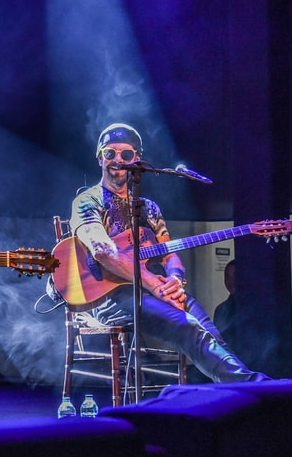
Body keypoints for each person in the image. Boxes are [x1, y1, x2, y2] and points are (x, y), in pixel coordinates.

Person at [69, 123, 266, 382]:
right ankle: (254, 385)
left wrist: (175, 279)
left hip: (153, 289)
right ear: (99, 158)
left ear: (137, 159)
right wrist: (154, 284)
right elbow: (102, 250)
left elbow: (169, 253)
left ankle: (241, 389)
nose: (118, 160)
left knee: (209, 331)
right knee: (186, 325)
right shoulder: (87, 201)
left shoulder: (148, 208)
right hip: (110, 297)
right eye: (110, 153)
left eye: (126, 154)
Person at [214, 259, 292, 378]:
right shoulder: (221, 310)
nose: (231, 281)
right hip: (233, 378)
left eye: (235, 276)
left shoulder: (264, 308)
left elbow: (288, 345)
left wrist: (283, 376)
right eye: (227, 277)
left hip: (266, 377)